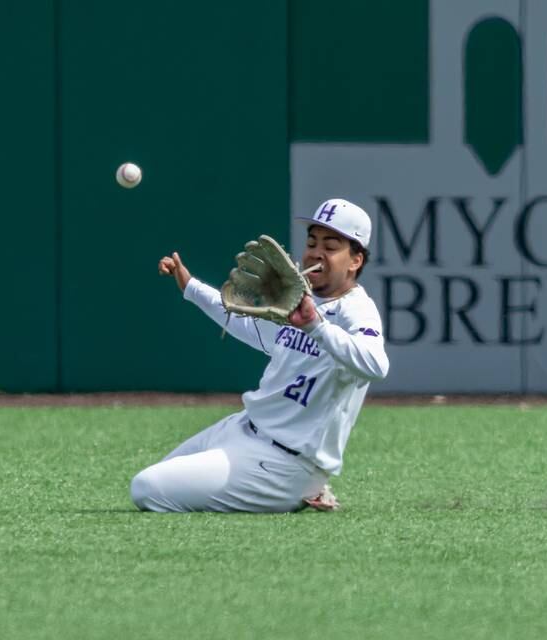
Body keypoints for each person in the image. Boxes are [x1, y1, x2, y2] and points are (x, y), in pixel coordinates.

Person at [130, 198, 389, 513]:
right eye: (312, 242)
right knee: (164, 473)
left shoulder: (356, 310)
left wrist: (317, 327)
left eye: (331, 246)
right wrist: (190, 286)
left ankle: (302, 491)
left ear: (355, 260)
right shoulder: (300, 300)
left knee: (146, 489)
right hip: (242, 429)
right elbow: (249, 325)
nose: (316, 252)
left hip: (284, 463)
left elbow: (376, 365)